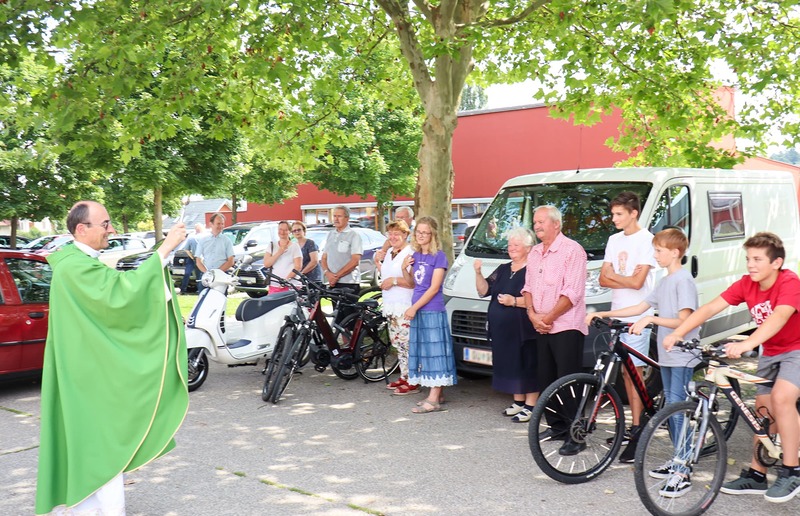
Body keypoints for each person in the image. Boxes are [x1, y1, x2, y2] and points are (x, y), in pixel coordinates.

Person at [36, 201, 189, 515]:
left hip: (88, 373)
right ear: (82, 229)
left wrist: (162, 251)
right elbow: (120, 296)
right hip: (89, 380)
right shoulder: (74, 266)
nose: (112, 229)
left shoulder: (79, 262)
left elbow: (114, 296)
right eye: (105, 224)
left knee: (97, 449)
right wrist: (164, 250)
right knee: (104, 450)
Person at [664, 232, 800, 503]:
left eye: (757, 259)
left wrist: (746, 343)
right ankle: (757, 474)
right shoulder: (746, 284)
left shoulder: (789, 282)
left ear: (776, 263)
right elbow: (710, 308)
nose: (750, 264)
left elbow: (779, 316)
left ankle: (792, 471)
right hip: (770, 351)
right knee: (763, 412)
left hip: (796, 349)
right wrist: (678, 332)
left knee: (781, 398)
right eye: (748, 258)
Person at [587, 228, 699, 495]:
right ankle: (678, 459)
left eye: (659, 251)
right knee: (670, 408)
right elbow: (639, 307)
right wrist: (605, 313)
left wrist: (651, 319)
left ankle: (683, 470)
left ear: (675, 253)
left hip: (681, 354)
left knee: (676, 409)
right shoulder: (664, 280)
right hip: (667, 354)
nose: (655, 255)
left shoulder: (683, 280)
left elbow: (684, 320)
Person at [521, 205, 587, 455]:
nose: (536, 226)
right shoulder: (535, 252)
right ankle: (557, 427)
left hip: (566, 326)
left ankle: (576, 436)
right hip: (541, 325)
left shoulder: (573, 250)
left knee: (568, 382)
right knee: (546, 379)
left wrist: (546, 318)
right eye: (535, 222)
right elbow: (527, 287)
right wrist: (532, 314)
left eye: (541, 222)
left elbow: (572, 293)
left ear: (556, 224)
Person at [598, 191, 657, 462]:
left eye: (619, 214)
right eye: (613, 214)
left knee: (635, 374)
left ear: (634, 213)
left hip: (638, 315)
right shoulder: (614, 240)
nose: (614, 219)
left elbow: (638, 283)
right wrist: (624, 278)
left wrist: (616, 276)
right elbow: (602, 279)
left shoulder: (647, 240)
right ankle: (632, 426)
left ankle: (637, 428)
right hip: (619, 313)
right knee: (624, 372)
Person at [474, 227, 539, 422]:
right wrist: (477, 272)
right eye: (510, 244)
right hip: (502, 331)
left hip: (524, 328)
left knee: (527, 364)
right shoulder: (503, 269)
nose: (511, 248)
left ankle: (531, 405)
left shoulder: (533, 270)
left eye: (516, 244)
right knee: (511, 364)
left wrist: (514, 301)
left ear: (528, 248)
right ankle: (518, 402)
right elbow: (484, 291)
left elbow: (539, 299)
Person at [401, 216, 457, 413]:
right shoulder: (416, 255)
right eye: (419, 232)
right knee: (426, 352)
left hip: (431, 309)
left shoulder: (439, 256)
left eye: (425, 232)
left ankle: (433, 400)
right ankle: (437, 393)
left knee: (435, 353)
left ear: (433, 234)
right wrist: (404, 268)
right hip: (418, 309)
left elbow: (434, 288)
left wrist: (414, 308)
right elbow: (412, 283)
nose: (421, 235)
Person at [376, 220, 416, 395]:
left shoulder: (410, 252)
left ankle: (413, 379)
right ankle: (405, 375)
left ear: (405, 235)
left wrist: (393, 281)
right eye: (390, 234)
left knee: (408, 343)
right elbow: (386, 274)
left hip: (404, 305)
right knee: (398, 343)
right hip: (391, 305)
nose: (393, 237)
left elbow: (412, 282)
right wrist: (378, 263)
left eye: (397, 234)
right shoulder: (390, 252)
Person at [320, 206, 363, 322]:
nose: (336, 219)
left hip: (349, 283)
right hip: (333, 284)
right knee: (337, 319)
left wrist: (336, 276)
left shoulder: (354, 235)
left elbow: (355, 260)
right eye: (334, 216)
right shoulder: (330, 234)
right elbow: (324, 258)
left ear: (347, 218)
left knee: (349, 319)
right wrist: (328, 274)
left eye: (339, 216)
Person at [262, 220, 302, 294]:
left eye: (285, 230)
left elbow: (298, 267)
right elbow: (266, 264)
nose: (282, 232)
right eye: (280, 229)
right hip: (274, 284)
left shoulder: (295, 246)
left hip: (291, 285)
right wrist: (279, 253)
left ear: (289, 232)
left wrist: (286, 280)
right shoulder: (272, 245)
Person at [179, 223, 206, 294]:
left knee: (188, 273)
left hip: (193, 258)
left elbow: (186, 249)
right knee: (199, 274)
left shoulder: (191, 237)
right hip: (199, 258)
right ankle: (199, 289)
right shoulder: (205, 237)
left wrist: (192, 257)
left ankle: (184, 289)